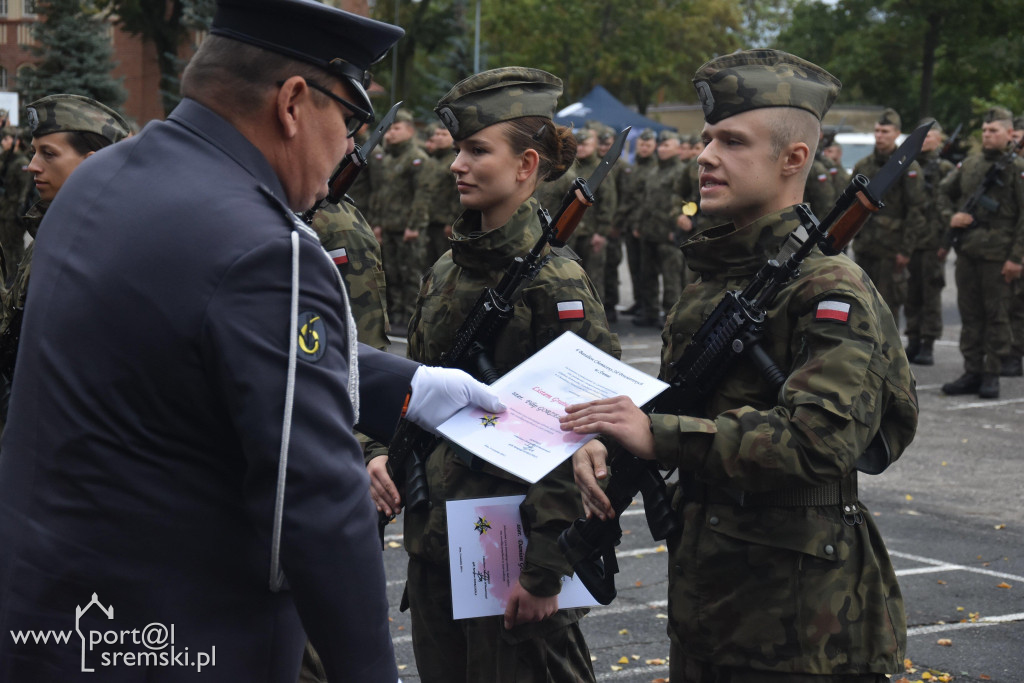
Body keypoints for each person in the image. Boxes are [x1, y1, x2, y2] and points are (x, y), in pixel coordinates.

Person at [0, 2, 504, 681]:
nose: (352, 148)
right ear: (294, 102)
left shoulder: (102, 177)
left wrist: (404, 385)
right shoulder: (271, 249)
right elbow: (322, 508)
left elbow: (179, 337)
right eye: (349, 120)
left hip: (53, 618)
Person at [562, 49, 917, 682]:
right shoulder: (718, 276)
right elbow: (692, 404)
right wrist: (616, 441)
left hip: (804, 631)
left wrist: (658, 434)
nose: (705, 156)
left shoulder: (829, 288)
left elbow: (822, 440)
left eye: (731, 141)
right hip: (711, 606)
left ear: (793, 159)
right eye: (705, 139)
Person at [369, 67, 620, 683]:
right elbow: (416, 386)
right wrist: (381, 451)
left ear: (526, 165)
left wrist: (544, 570)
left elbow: (580, 432)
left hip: (514, 552)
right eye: (458, 149)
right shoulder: (447, 269)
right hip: (437, 544)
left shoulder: (555, 284)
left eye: (478, 150)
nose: (457, 163)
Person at [0, 95, 131, 431]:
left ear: (91, 163)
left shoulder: (108, 245)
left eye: (49, 154)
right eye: (33, 152)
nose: (32, 165)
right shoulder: (56, 226)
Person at [938, 106, 1024, 398]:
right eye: (985, 131)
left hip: (999, 256)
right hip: (968, 252)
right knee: (970, 314)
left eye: (994, 130)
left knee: (996, 316)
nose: (988, 135)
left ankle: (991, 374)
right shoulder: (971, 164)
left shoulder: (1017, 169)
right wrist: (951, 217)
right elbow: (942, 193)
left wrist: (1017, 258)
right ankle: (972, 371)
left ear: (1010, 134)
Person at [851, 108, 927, 318]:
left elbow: (916, 211)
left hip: (891, 251)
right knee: (859, 305)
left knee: (886, 310)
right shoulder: (863, 165)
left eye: (885, 131)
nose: (879, 136)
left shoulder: (907, 167)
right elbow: (851, 205)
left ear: (896, 134)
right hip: (865, 247)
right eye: (877, 131)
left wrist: (906, 250)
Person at [371, 108, 431, 332]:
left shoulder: (417, 158)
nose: (390, 134)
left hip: (408, 227)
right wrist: (377, 224)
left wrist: (414, 226)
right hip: (388, 225)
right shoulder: (387, 158)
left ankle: (409, 316)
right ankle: (395, 314)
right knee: (391, 273)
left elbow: (422, 195)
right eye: (389, 129)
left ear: (409, 130)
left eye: (396, 129)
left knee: (410, 274)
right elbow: (379, 193)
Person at [906, 118, 955, 365]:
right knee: (910, 293)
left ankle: (928, 343)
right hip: (911, 241)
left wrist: (946, 242)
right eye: (922, 136)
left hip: (933, 241)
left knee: (931, 294)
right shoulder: (909, 166)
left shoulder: (946, 168)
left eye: (930, 136)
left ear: (940, 139)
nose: (925, 141)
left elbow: (952, 206)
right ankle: (913, 339)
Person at [633, 130, 685, 327]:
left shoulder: (681, 171)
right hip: (649, 232)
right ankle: (650, 311)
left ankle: (671, 316)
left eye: (667, 146)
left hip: (668, 234)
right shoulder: (654, 170)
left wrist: (678, 227)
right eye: (661, 146)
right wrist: (639, 224)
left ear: (677, 149)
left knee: (671, 278)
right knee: (648, 276)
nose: (662, 149)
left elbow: (686, 201)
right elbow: (645, 201)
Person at [0, 126, 33, 281]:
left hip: (15, 211)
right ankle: (8, 276)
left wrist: (21, 209)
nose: (3, 142)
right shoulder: (5, 159)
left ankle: (18, 278)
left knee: (16, 245)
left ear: (16, 141)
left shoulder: (21, 162)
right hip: (4, 210)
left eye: (6, 139)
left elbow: (25, 189)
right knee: (5, 245)